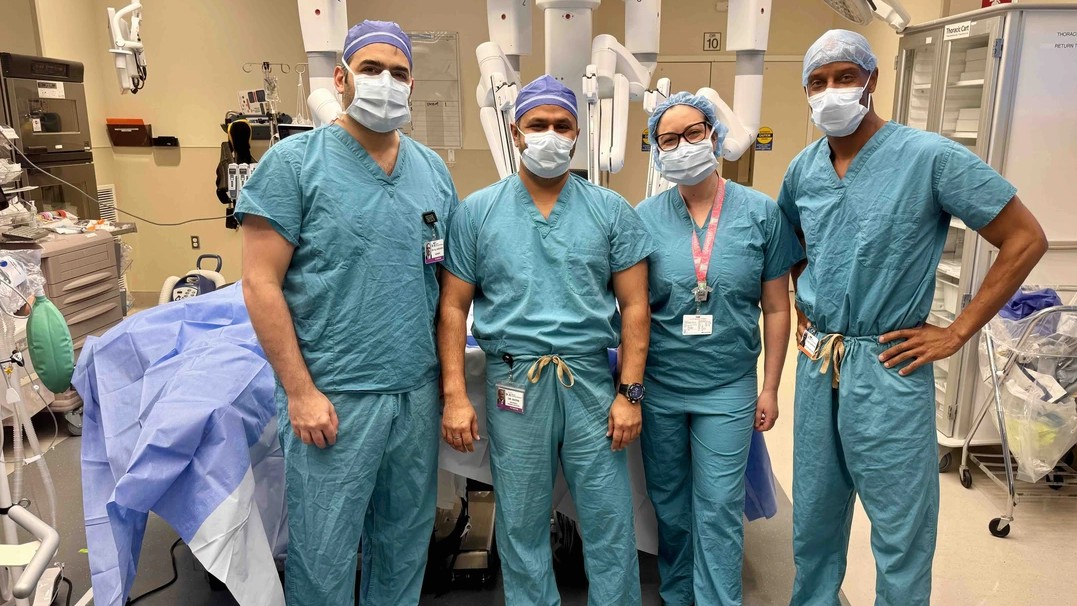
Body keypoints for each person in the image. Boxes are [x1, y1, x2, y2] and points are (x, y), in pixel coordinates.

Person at [778, 30, 1047, 606]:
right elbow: (793, 241)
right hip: (817, 361)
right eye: (818, 82)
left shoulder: (929, 158)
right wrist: (807, 302)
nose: (831, 91)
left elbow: (1024, 238)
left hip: (888, 363)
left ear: (871, 80)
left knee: (901, 531)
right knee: (814, 524)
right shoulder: (803, 169)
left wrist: (957, 331)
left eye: (844, 77)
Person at [236, 20, 459, 606]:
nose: (387, 82)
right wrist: (300, 391)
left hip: (414, 392)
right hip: (334, 396)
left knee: (405, 546)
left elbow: (445, 280)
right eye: (372, 69)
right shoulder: (294, 164)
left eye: (399, 73)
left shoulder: (432, 171)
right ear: (341, 78)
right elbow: (260, 283)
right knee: (325, 554)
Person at [437, 75, 654, 606]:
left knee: (608, 518)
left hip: (590, 383)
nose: (551, 135)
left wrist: (630, 395)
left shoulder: (609, 211)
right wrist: (455, 395)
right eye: (539, 125)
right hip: (515, 381)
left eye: (562, 126)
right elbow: (452, 306)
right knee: (521, 520)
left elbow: (636, 308)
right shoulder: (479, 211)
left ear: (577, 135)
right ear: (517, 132)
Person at [635, 92, 803, 606]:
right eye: (669, 139)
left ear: (714, 135)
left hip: (728, 386)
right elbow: (632, 307)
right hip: (662, 386)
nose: (683, 146)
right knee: (668, 502)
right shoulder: (643, 217)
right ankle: (678, 593)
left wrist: (770, 387)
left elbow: (777, 307)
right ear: (656, 149)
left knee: (718, 506)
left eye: (692, 133)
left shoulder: (760, 213)